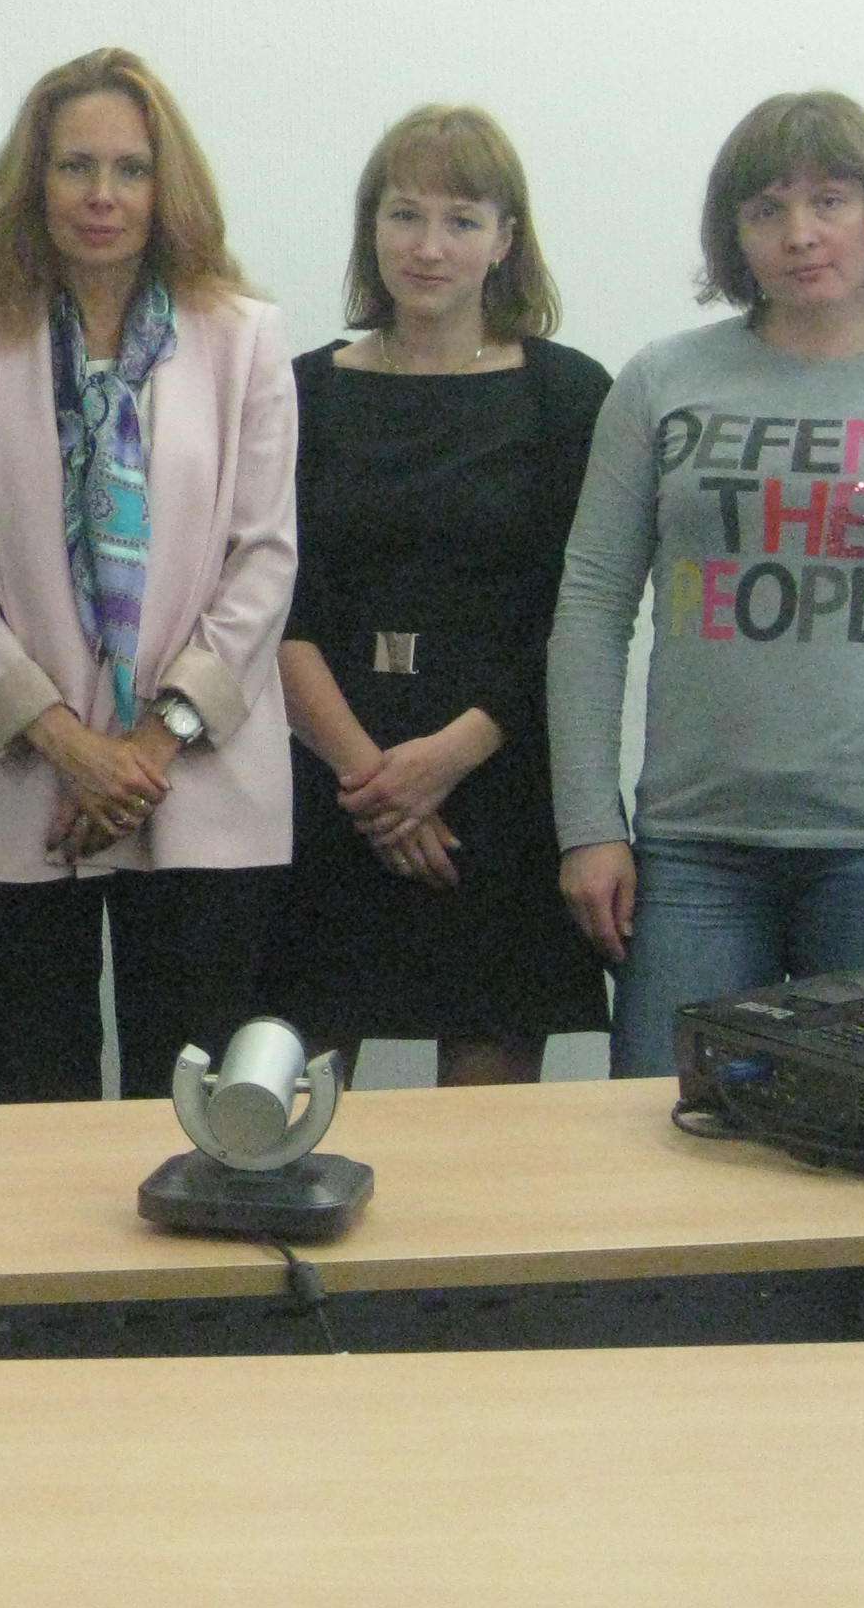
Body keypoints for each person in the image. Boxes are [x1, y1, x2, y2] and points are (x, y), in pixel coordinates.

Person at [550, 90, 864, 1076]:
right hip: (696, 842)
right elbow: (593, 608)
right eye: (766, 209)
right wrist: (589, 828)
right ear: (734, 233)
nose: (800, 234)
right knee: (664, 1120)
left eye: (830, 201)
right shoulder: (661, 382)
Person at [0, 47, 295, 1103]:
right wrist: (73, 749)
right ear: (33, 182)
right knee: (40, 1114)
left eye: (131, 169)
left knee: (189, 1122)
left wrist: (145, 750)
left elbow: (263, 560)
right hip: (23, 792)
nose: (102, 195)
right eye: (75, 166)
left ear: (169, 186)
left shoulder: (243, 338)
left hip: (201, 787)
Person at [261, 106, 611, 1084]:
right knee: (286, 1115)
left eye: (461, 220)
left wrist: (446, 760)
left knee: (485, 1138)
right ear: (370, 228)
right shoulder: (299, 391)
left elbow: (577, 611)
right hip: (329, 783)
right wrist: (375, 785)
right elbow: (274, 599)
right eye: (404, 215)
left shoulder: (568, 394)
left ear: (506, 240)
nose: (428, 247)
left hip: (500, 785)